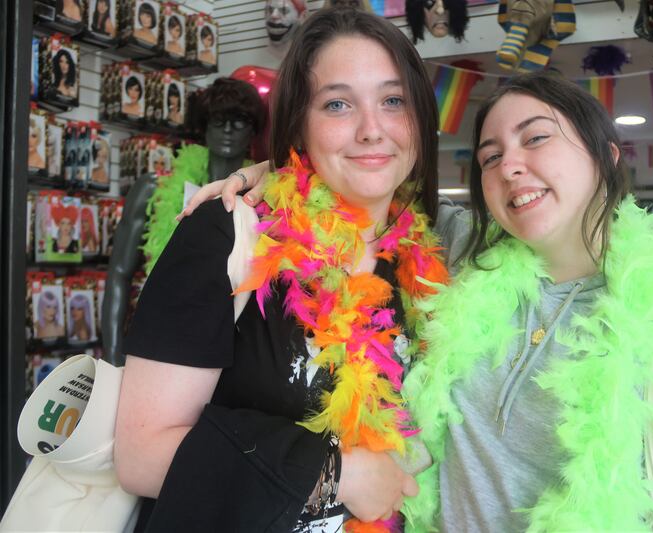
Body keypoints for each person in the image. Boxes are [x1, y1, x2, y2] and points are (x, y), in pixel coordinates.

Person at [190, 71, 653, 532]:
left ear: (607, 154)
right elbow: (362, 179)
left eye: (537, 138)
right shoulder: (461, 256)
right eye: (491, 156)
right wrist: (264, 174)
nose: (511, 165)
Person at [115, 8, 448, 532]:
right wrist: (334, 475)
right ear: (300, 122)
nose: (371, 129)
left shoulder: (428, 256)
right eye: (337, 104)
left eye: (392, 101)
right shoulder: (226, 234)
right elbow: (140, 456)